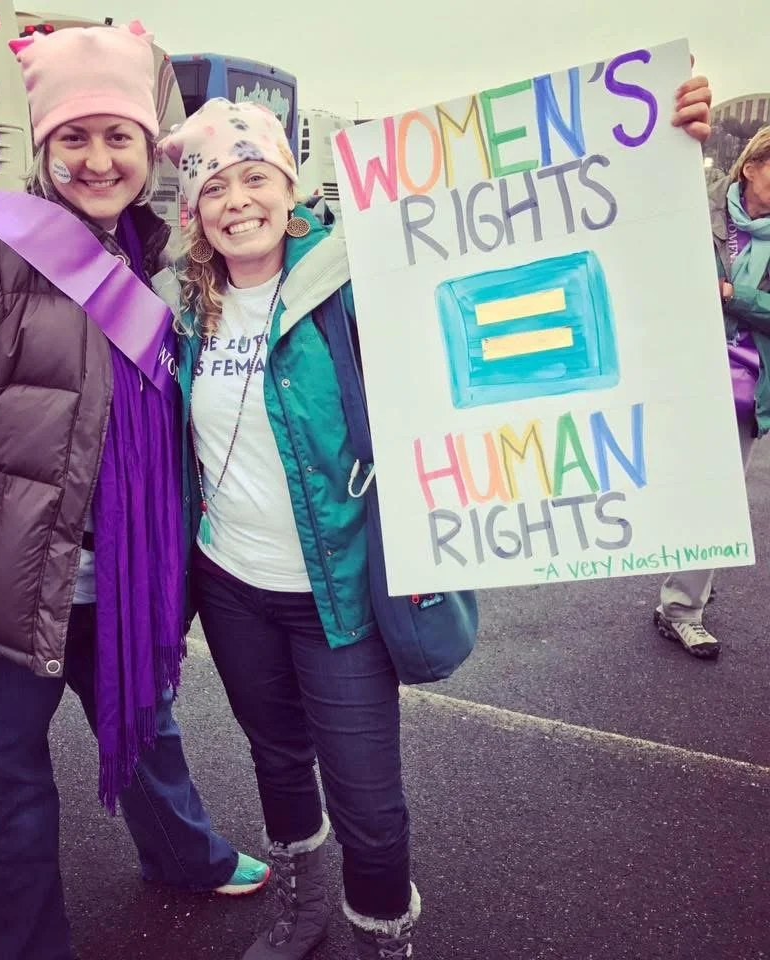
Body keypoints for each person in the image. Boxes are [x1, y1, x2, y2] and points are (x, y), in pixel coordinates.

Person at [159, 76, 714, 960]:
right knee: (276, 762)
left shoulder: (359, 276)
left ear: (292, 186)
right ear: (193, 211)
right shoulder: (184, 306)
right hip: (233, 589)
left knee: (370, 806)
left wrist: (664, 152)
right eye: (213, 187)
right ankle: (303, 910)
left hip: (339, 597)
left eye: (254, 176)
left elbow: (536, 243)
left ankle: (384, 937)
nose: (236, 201)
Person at [0, 24, 267, 960]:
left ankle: (184, 857)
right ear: (42, 148)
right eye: (73, 139)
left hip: (124, 577)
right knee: (3, 783)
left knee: (150, 727)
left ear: (147, 146)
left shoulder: (161, 255)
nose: (97, 159)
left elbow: (294, 247)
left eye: (118, 135)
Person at [655, 124, 770, 658]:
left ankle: (682, 608)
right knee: (667, 486)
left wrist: (729, 292)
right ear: (751, 168)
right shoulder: (700, 213)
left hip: (745, 388)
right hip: (683, 372)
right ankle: (689, 578)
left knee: (714, 496)